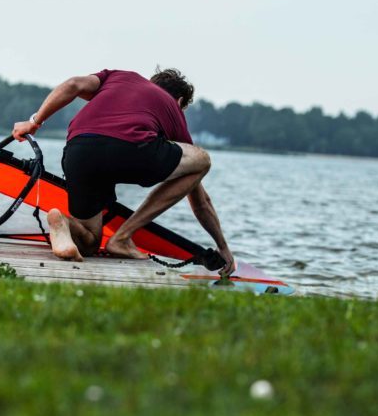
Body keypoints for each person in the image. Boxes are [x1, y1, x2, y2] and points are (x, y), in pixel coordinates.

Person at [12, 68, 235, 274]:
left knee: (89, 241)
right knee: (202, 160)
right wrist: (222, 246)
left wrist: (34, 122)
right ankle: (122, 237)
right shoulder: (171, 107)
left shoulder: (118, 77)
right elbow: (199, 199)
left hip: (78, 152)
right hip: (128, 148)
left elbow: (73, 85)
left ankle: (64, 224)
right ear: (179, 101)